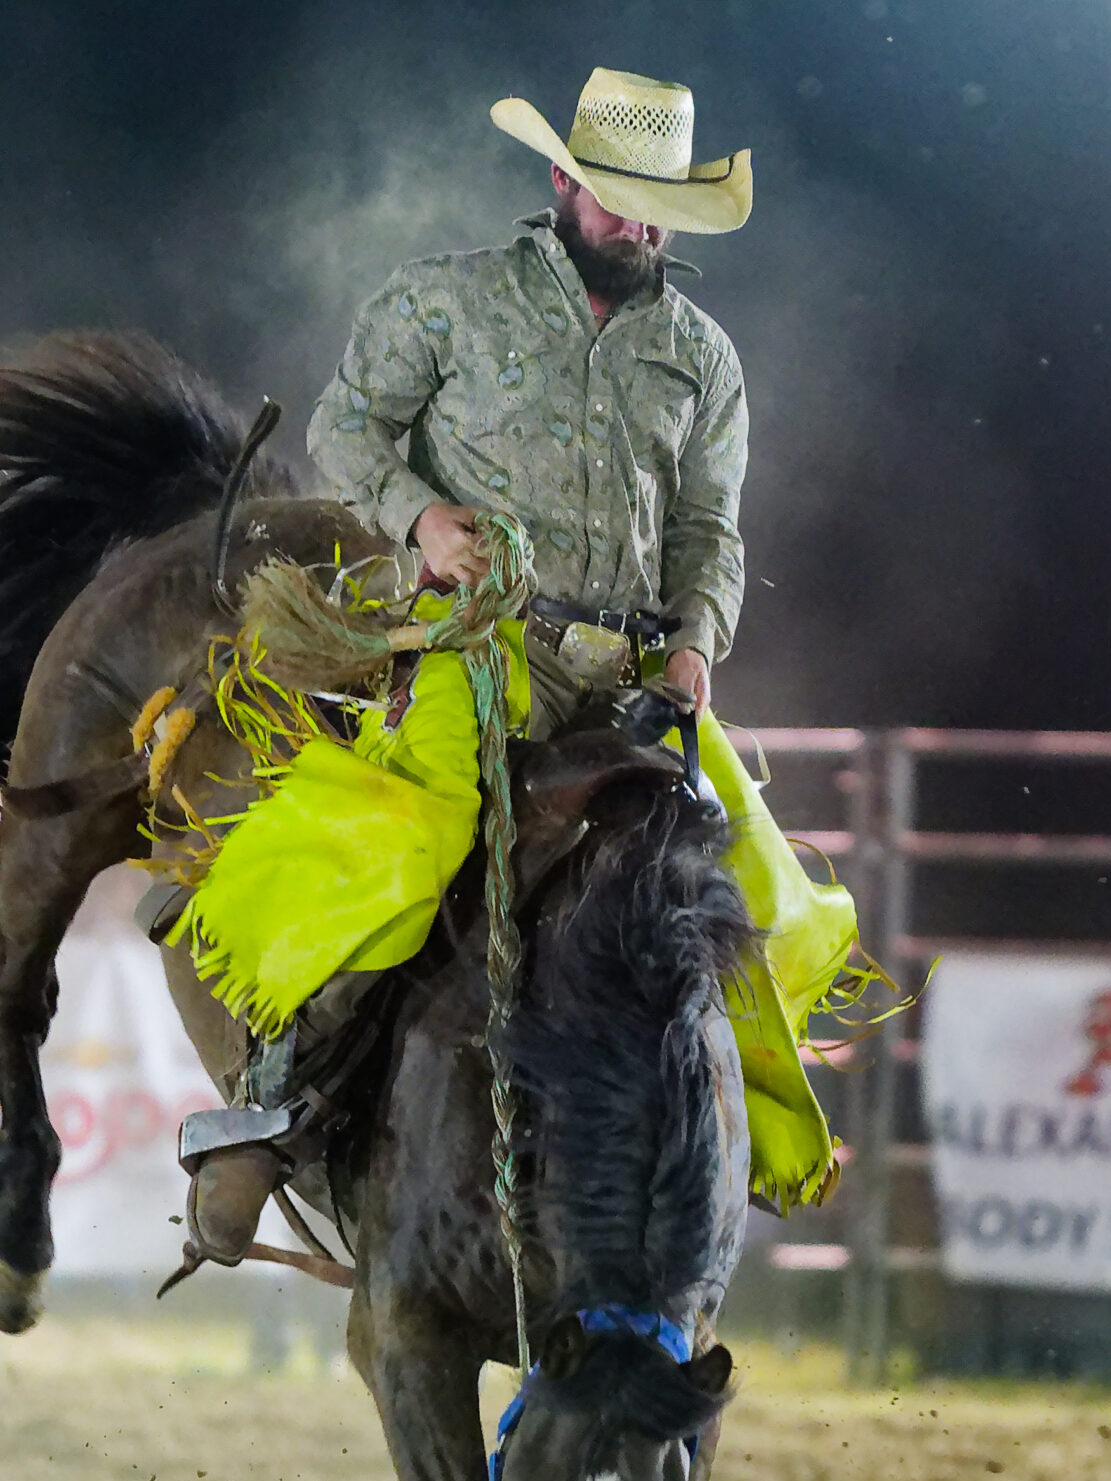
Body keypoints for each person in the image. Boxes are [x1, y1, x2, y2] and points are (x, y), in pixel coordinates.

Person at [166, 67, 859, 1265]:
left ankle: (745, 1138)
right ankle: (269, 1112)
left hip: (633, 674)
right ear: (562, 183)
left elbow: (708, 527)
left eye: (657, 206)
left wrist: (696, 633)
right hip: (476, 643)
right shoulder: (444, 303)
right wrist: (420, 520)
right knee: (409, 832)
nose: (638, 225)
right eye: (616, 198)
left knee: (744, 884)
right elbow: (348, 425)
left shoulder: (700, 356)